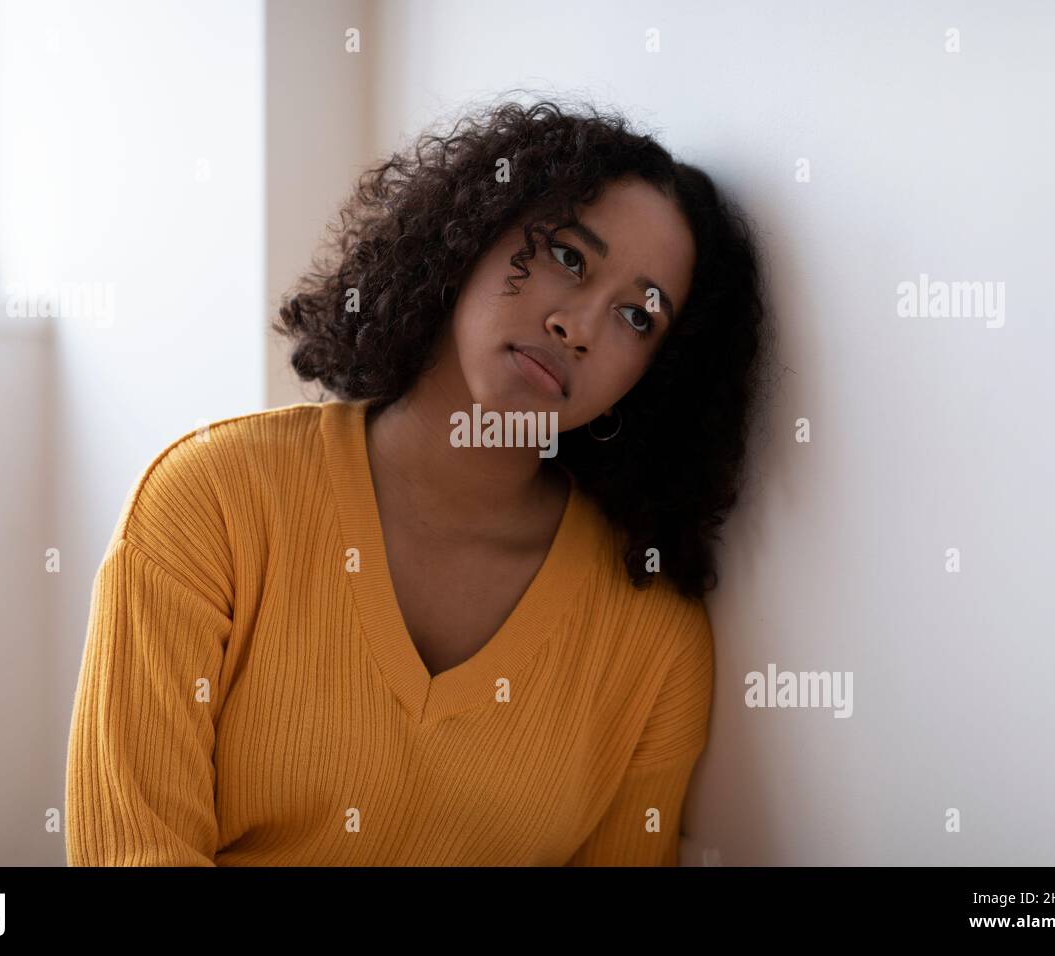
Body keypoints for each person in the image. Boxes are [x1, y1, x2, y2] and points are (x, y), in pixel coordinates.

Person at [65, 96, 769, 866]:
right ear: (469, 236)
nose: (581, 327)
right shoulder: (211, 502)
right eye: (569, 256)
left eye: (639, 316)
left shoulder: (654, 640)